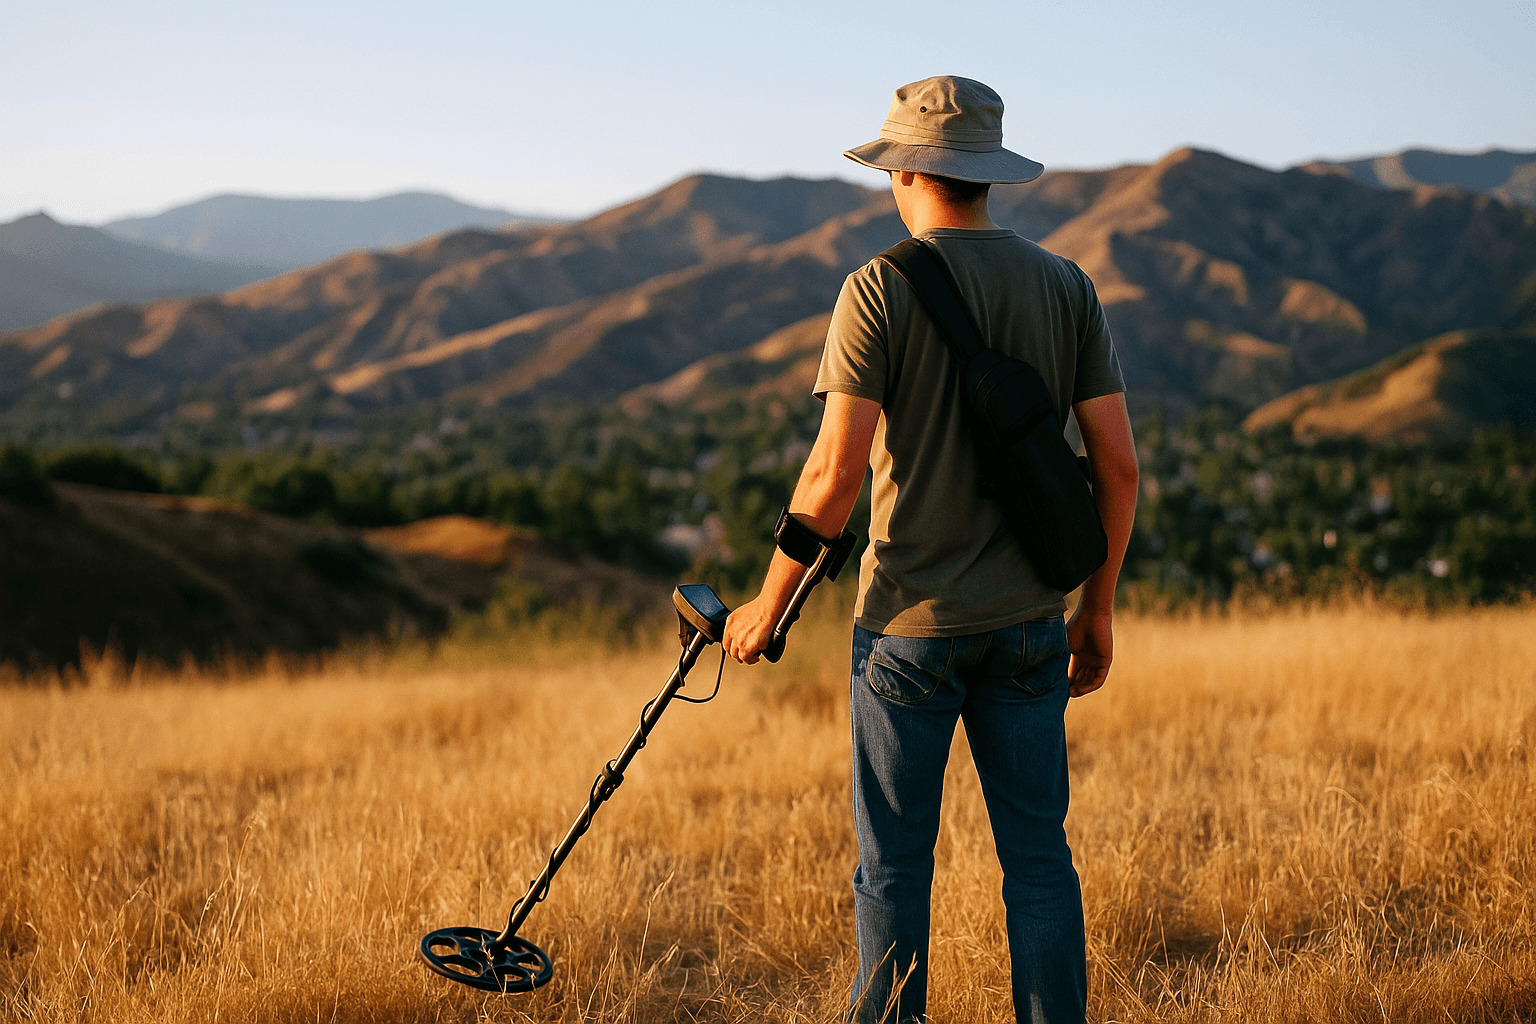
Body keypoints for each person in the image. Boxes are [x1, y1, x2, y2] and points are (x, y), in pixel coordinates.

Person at [722, 75, 1138, 1023]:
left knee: (894, 870)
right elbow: (1117, 467)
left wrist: (765, 607)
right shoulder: (1067, 284)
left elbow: (831, 481)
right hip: (1032, 622)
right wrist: (1097, 606)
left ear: (907, 169)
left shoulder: (879, 288)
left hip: (907, 629)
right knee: (1039, 862)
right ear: (987, 174)